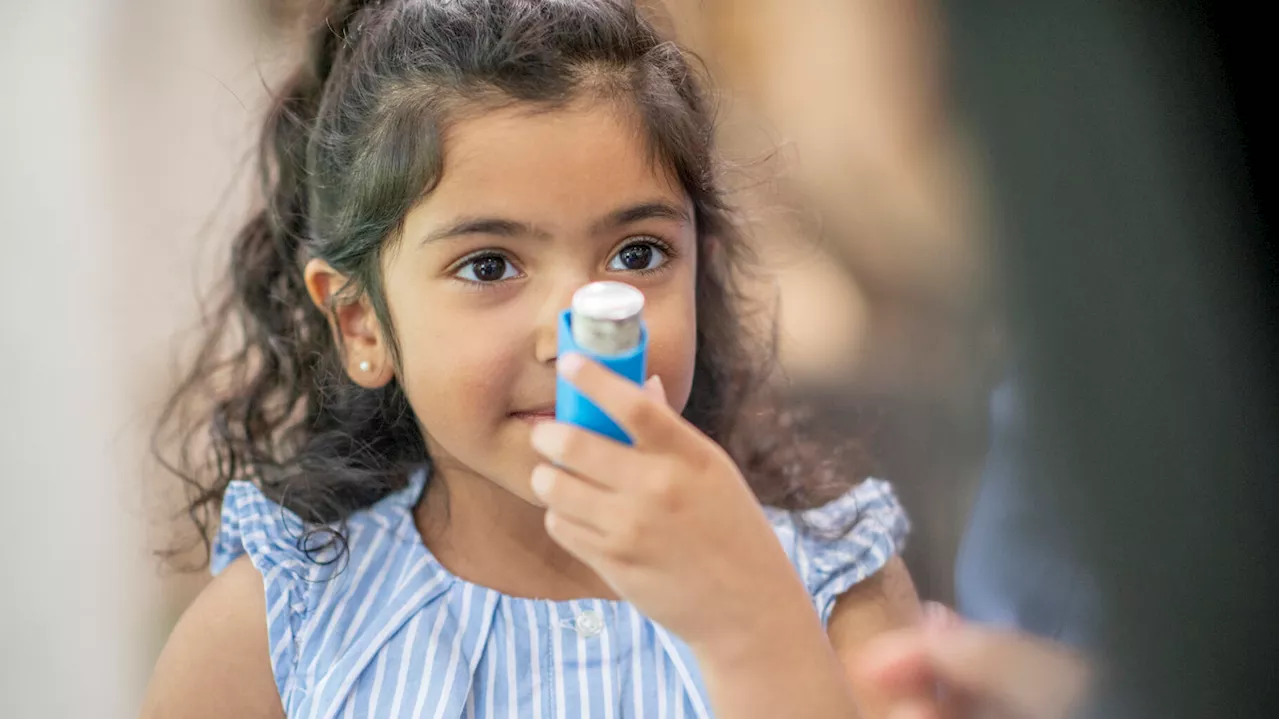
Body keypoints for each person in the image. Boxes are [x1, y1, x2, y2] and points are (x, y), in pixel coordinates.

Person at [140, 1, 919, 717]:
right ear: (361, 323)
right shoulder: (275, 637)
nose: (577, 330)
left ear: (699, 266)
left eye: (638, 252)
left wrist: (754, 622)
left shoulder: (837, 591)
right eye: (489, 266)